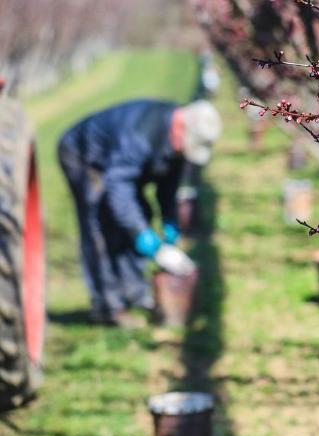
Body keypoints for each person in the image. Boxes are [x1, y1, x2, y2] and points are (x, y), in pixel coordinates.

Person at [58, 99, 221, 326]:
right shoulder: (140, 136)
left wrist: (170, 224)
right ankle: (108, 308)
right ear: (180, 128)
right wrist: (143, 235)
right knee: (100, 226)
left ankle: (135, 292)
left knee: (140, 214)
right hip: (86, 156)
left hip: (118, 169)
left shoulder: (176, 142)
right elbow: (118, 188)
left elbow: (168, 187)